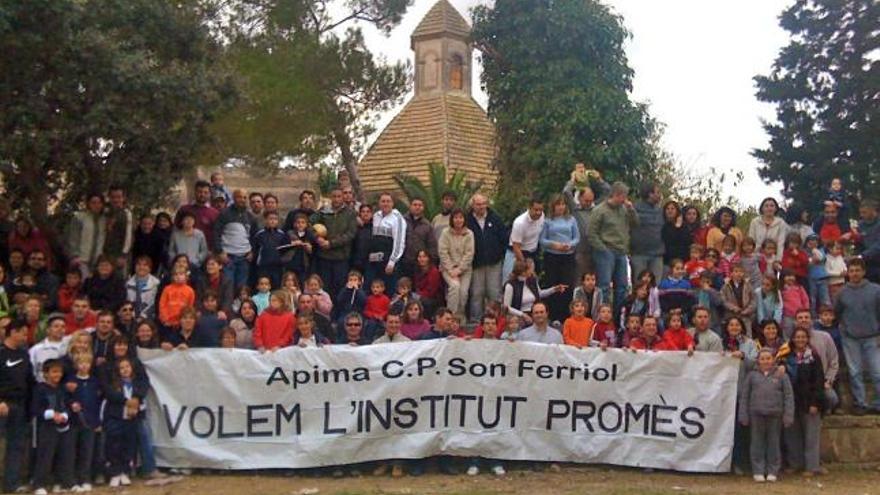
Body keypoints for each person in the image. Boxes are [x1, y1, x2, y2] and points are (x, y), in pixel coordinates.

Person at [738, 349, 794, 483]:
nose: (765, 361)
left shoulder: (782, 375)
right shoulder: (752, 376)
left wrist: (788, 415)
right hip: (756, 414)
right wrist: (743, 415)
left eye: (768, 358)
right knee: (757, 443)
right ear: (758, 361)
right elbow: (745, 396)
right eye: (762, 359)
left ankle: (772, 470)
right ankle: (758, 470)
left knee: (773, 444)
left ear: (773, 359)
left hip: (775, 414)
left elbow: (788, 396)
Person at [833, 258, 880, 415]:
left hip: (872, 336)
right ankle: (861, 403)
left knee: (877, 371)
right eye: (851, 271)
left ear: (863, 272)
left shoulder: (875, 290)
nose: (854, 274)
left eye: (857, 270)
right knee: (855, 372)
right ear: (848, 272)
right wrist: (844, 329)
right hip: (850, 338)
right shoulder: (841, 293)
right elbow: (837, 313)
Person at [588, 182, 638, 315]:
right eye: (624, 196)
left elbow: (636, 223)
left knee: (621, 287)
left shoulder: (624, 209)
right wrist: (602, 249)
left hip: (621, 251)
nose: (625, 199)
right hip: (606, 250)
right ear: (616, 195)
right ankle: (601, 315)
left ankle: (617, 316)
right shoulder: (599, 210)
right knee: (604, 286)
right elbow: (591, 233)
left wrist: (631, 209)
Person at [783, 327, 826, 477]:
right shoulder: (786, 356)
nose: (800, 340)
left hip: (810, 401)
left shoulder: (813, 357)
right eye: (797, 337)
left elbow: (819, 381)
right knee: (792, 435)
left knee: (811, 435)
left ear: (807, 339)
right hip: (792, 401)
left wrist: (816, 403)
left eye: (803, 337)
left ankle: (812, 466)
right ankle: (796, 463)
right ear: (793, 339)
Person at [101, 357, 146, 487]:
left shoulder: (136, 384)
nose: (125, 370)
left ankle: (125, 471)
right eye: (122, 368)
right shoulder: (114, 385)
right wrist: (125, 402)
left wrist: (136, 407)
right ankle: (115, 473)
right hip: (115, 418)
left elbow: (141, 402)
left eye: (127, 367)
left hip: (131, 420)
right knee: (114, 445)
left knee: (128, 445)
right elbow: (111, 397)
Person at [32, 359, 75, 495]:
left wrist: (65, 415)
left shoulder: (62, 389)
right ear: (45, 373)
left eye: (60, 372)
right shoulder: (40, 388)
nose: (58, 375)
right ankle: (39, 484)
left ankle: (65, 483)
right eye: (54, 372)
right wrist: (51, 415)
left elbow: (66, 405)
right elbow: (34, 409)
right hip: (46, 427)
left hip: (63, 426)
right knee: (45, 455)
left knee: (65, 454)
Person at [0, 320, 33, 494]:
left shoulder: (24, 354)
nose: (25, 337)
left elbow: (30, 381)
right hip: (2, 406)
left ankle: (11, 484)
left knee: (16, 446)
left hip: (20, 407)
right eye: (23, 333)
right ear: (13, 332)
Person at [722, 316, 758, 474]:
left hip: (742, 391)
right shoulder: (721, 342)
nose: (734, 327)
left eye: (737, 324)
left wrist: (743, 356)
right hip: (723, 393)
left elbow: (757, 363)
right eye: (731, 324)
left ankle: (740, 462)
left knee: (741, 430)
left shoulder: (749, 344)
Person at [466, 193, 507, 323]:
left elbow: (504, 238)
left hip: (494, 263)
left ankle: (496, 320)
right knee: (476, 293)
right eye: (478, 204)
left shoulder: (495, 219)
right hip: (476, 264)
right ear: (473, 205)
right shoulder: (467, 220)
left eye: (484, 204)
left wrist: (499, 254)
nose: (481, 207)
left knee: (494, 293)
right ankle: (476, 321)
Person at [562, 167, 609, 277]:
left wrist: (599, 179)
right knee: (580, 278)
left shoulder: (596, 208)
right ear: (580, 198)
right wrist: (573, 180)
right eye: (586, 201)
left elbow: (607, 192)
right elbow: (566, 192)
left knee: (597, 279)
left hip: (596, 250)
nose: (589, 203)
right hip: (581, 251)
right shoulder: (575, 209)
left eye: (590, 200)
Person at [312, 188, 358, 299]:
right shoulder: (323, 211)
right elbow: (310, 224)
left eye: (339, 196)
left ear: (343, 198)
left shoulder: (350, 213)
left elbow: (350, 234)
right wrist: (317, 238)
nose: (336, 199)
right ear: (330, 198)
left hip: (341, 258)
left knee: (340, 288)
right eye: (334, 196)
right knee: (325, 288)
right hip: (324, 257)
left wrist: (331, 243)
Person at [540, 195, 579, 321]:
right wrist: (554, 244)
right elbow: (542, 240)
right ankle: (553, 315)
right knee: (553, 285)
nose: (561, 207)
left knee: (566, 287)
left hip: (567, 257)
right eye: (558, 205)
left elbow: (576, 238)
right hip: (552, 257)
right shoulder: (547, 221)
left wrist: (570, 245)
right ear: (553, 206)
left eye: (563, 204)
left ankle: (565, 316)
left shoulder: (571, 220)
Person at [66, 352, 100, 492]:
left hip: (90, 422)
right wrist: (72, 403)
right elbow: (65, 398)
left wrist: (97, 422)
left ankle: (85, 478)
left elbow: (97, 402)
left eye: (87, 363)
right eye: (81, 363)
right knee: (72, 451)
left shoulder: (94, 381)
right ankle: (72, 480)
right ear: (75, 365)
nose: (84, 366)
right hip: (74, 422)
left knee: (87, 451)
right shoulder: (71, 381)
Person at [214, 189, 257, 292]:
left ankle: (240, 307)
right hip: (228, 257)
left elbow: (254, 237)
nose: (242, 200)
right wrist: (220, 251)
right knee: (227, 285)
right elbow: (216, 233)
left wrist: (252, 251)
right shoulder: (224, 214)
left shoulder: (250, 217)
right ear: (233, 198)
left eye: (244, 197)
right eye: (239, 197)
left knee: (242, 287)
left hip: (244, 258)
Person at [366, 192, 406, 294]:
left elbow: (399, 243)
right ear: (379, 203)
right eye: (383, 201)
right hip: (374, 261)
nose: (385, 204)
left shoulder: (398, 219)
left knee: (388, 290)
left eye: (388, 201)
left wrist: (392, 262)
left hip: (388, 261)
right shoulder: (376, 216)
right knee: (372, 289)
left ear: (393, 203)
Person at [438, 208, 475, 319]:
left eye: (461, 217)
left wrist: (459, 269)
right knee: (455, 287)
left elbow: (469, 254)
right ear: (452, 219)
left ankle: (460, 316)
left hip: (465, 269)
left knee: (463, 292)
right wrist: (451, 269)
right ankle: (450, 317)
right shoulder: (445, 233)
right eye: (456, 218)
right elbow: (443, 252)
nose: (458, 220)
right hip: (448, 268)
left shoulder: (469, 234)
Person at [502, 197, 545, 282]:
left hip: (532, 254)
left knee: (532, 284)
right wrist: (525, 266)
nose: (538, 213)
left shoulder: (542, 216)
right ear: (529, 208)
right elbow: (516, 247)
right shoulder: (520, 223)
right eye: (536, 210)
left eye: (541, 210)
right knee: (510, 282)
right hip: (516, 254)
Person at [630, 183, 664, 283]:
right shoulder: (635, 209)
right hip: (639, 254)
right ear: (650, 194)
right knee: (640, 284)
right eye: (657, 192)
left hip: (657, 254)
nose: (659, 195)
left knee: (655, 285)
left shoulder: (660, 210)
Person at [66, 192, 106, 278]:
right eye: (93, 203)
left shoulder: (104, 219)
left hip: (98, 261)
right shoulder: (79, 218)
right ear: (88, 203)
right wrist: (74, 256)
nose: (96, 205)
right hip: (82, 259)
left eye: (99, 203)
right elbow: (73, 238)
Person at [175, 180, 220, 252]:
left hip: (207, 252)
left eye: (205, 192)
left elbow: (218, 234)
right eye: (200, 192)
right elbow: (176, 229)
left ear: (209, 194)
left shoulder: (215, 213)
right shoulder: (184, 209)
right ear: (195, 192)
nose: (202, 195)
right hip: (185, 250)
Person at [401, 197, 438, 278]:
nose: (417, 207)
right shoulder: (401, 221)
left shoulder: (427, 225)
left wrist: (431, 263)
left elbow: (432, 245)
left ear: (423, 208)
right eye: (415, 205)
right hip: (403, 262)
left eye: (420, 205)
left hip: (419, 264)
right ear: (410, 206)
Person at [250, 211, 288, 289]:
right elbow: (255, 250)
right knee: (263, 288)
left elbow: (285, 250)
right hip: (263, 267)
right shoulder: (259, 234)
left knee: (276, 288)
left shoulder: (282, 235)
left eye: (275, 219)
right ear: (265, 220)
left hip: (278, 267)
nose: (273, 221)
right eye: (270, 219)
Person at [29, 314, 70, 382]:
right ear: (48, 329)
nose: (60, 329)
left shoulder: (70, 346)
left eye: (63, 327)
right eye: (56, 326)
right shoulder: (36, 349)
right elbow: (32, 372)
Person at [748, 198, 788, 264]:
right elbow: (751, 240)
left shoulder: (781, 223)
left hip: (773, 257)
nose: (769, 208)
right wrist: (750, 257)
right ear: (762, 208)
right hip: (756, 256)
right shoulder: (755, 222)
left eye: (772, 206)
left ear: (775, 209)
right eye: (766, 206)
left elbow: (781, 243)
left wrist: (778, 260)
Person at [104, 185, 134, 275]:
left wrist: (123, 255)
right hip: (105, 255)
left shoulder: (126, 214)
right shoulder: (106, 213)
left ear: (123, 198)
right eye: (113, 197)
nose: (116, 200)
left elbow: (129, 237)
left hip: (119, 256)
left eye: (119, 197)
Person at [721, 264, 756, 337]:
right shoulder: (726, 286)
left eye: (741, 271)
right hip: (731, 315)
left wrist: (747, 310)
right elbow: (723, 300)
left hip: (745, 315)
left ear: (744, 273)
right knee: (730, 336)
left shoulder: (748, 285)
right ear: (731, 273)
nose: (738, 274)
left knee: (747, 335)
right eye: (736, 271)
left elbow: (753, 299)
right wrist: (734, 308)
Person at [126, 256, 161, 321]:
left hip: (150, 318)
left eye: (145, 265)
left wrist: (144, 316)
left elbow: (156, 303)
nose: (141, 267)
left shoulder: (157, 284)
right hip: (131, 318)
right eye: (139, 264)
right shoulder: (127, 283)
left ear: (150, 268)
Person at [855, 198, 879, 283]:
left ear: (873, 211)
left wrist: (861, 256)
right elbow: (858, 243)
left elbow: (878, 246)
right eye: (860, 213)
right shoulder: (860, 225)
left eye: (864, 212)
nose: (862, 215)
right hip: (865, 266)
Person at [661, 200, 692, 266]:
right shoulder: (663, 226)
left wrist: (678, 227)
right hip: (667, 260)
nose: (670, 211)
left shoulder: (684, 226)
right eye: (668, 209)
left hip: (682, 260)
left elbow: (686, 241)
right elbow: (668, 240)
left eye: (672, 208)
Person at [780, 271, 810, 339]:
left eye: (792, 276)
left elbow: (805, 299)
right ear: (783, 278)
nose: (790, 278)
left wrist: (806, 310)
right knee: (788, 334)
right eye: (787, 276)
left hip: (800, 316)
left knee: (802, 332)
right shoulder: (781, 290)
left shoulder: (799, 287)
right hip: (787, 316)